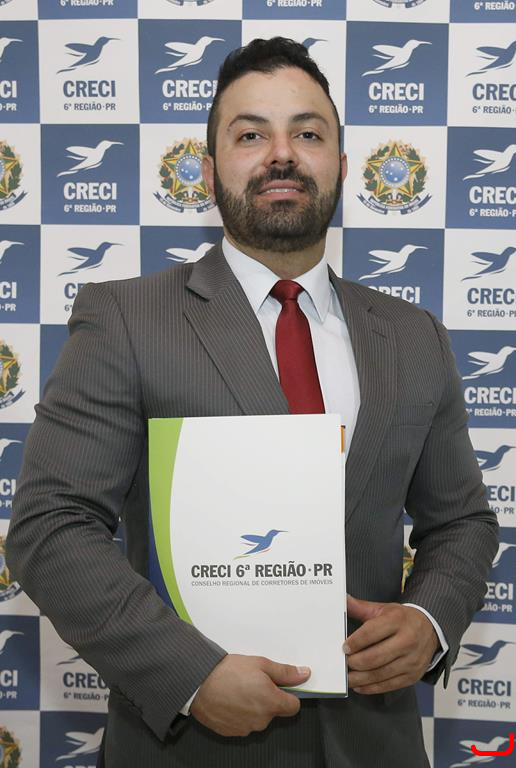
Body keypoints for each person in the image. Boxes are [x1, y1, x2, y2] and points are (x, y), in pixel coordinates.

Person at [7, 38, 498, 768]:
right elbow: (50, 527)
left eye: (308, 133)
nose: (282, 155)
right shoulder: (127, 321)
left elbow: (460, 522)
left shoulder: (413, 335)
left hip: (375, 741)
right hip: (188, 747)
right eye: (250, 135)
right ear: (209, 171)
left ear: (340, 163)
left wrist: (429, 618)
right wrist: (189, 673)